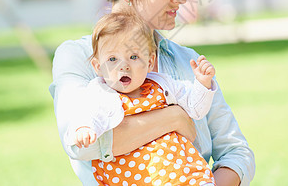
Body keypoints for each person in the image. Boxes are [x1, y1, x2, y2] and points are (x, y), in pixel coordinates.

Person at [50, 0, 255, 186]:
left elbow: (236, 152)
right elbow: (82, 145)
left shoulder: (189, 62)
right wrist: (174, 117)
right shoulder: (78, 57)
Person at [75, 11, 217, 185]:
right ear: (98, 66)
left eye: (133, 57)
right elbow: (87, 113)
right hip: (132, 177)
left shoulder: (163, 85)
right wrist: (84, 128)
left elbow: (196, 109)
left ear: (150, 62)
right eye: (112, 59)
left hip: (182, 172)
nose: (124, 66)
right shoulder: (100, 93)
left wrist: (202, 84)